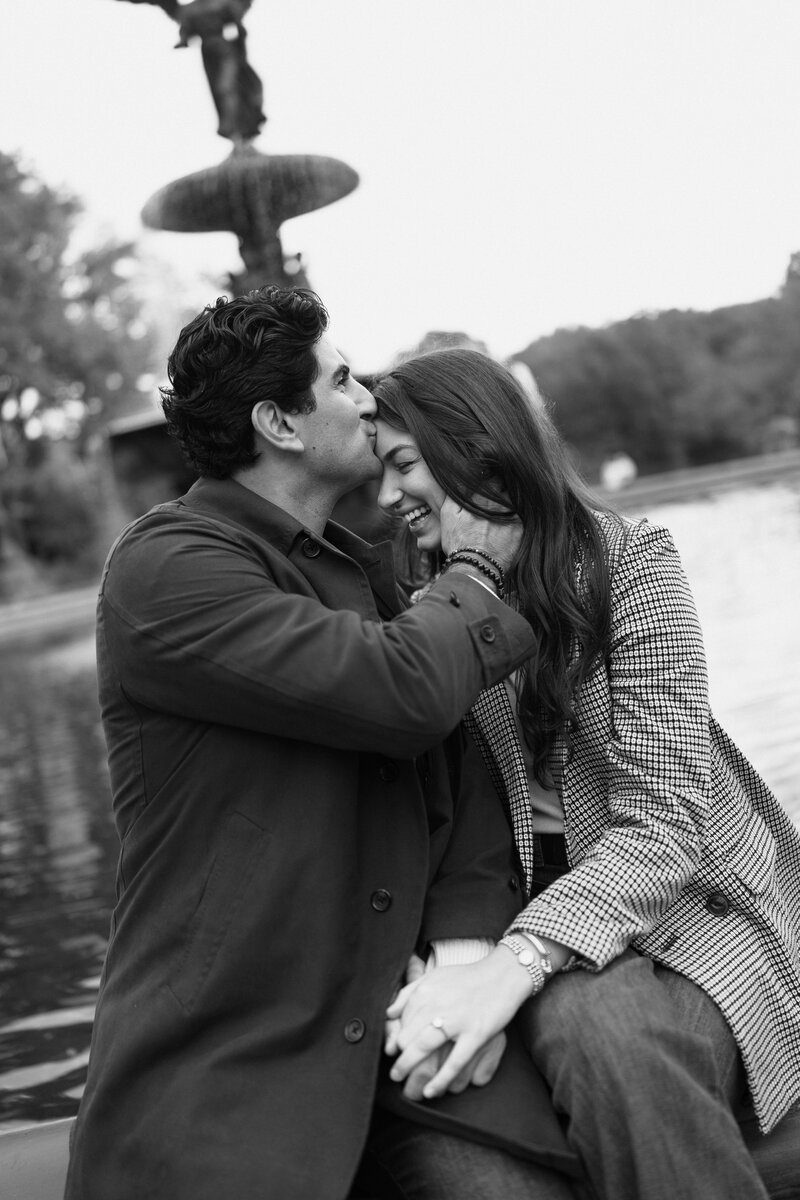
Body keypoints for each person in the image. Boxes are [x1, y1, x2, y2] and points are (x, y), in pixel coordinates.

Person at [64, 287, 591, 1200]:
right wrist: (472, 562)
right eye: (341, 380)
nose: (365, 397)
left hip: (397, 1032)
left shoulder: (360, 570)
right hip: (234, 1055)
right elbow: (404, 695)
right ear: (278, 421)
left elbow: (461, 777)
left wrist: (466, 953)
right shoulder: (165, 571)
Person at [373, 347, 800, 1200]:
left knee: (594, 1018)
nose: (387, 497)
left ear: (473, 451)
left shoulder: (632, 563)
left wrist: (515, 965)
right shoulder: (426, 604)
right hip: (522, 906)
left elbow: (666, 822)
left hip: (686, 905)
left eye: (405, 465)